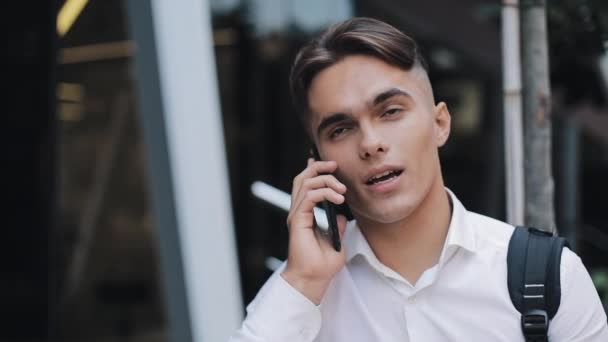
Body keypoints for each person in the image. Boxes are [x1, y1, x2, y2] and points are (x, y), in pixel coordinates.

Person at [230, 17, 608, 341]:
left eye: (390, 111)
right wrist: (302, 281)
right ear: (318, 162)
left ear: (439, 123)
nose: (371, 143)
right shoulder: (301, 295)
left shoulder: (548, 277)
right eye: (341, 129)